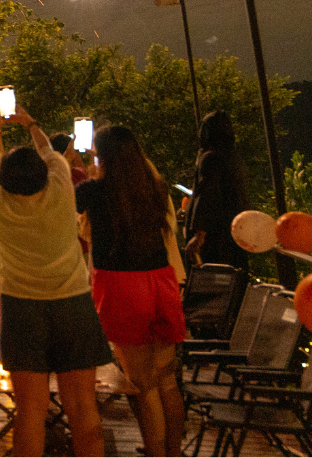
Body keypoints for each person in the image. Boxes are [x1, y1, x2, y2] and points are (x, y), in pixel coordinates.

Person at [0, 105, 111, 457]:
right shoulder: (60, 189)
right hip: (73, 303)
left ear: (3, 179)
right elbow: (48, 151)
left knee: (30, 410)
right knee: (83, 405)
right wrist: (30, 122)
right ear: (44, 173)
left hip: (20, 308)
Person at [76, 125, 187, 456]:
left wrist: (72, 162)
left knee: (142, 383)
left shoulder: (94, 191)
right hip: (160, 281)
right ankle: (173, 451)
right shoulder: (154, 187)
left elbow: (60, 200)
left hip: (121, 287)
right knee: (166, 380)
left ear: (102, 156)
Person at [187, 109, 250, 270]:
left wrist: (199, 234)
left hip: (215, 237)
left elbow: (206, 195)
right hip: (235, 233)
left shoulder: (210, 158)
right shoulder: (234, 157)